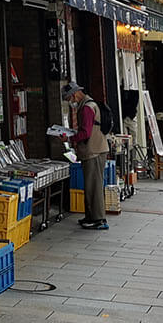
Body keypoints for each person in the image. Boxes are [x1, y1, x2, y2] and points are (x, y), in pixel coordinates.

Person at [64, 82, 110, 230]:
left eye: (68, 99)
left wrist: (69, 138)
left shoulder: (86, 108)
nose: (70, 102)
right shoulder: (88, 105)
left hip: (94, 151)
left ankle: (98, 219)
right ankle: (91, 216)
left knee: (94, 186)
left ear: (74, 94)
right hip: (94, 149)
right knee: (90, 185)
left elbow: (86, 133)